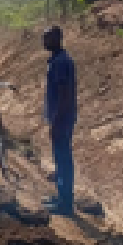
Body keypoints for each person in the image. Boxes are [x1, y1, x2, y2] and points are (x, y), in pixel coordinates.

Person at [43, 24, 77, 216]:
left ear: (57, 38)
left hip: (62, 119)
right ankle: (61, 197)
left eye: (47, 38)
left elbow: (65, 95)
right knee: (60, 158)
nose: (44, 42)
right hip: (61, 118)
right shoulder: (56, 60)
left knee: (63, 160)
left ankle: (66, 204)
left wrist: (56, 122)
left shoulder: (61, 62)